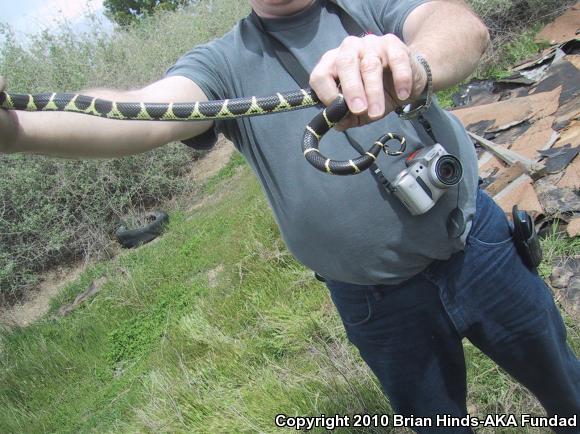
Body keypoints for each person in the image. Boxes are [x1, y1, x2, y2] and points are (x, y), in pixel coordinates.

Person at [1, 1, 578, 432]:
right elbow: (133, 115)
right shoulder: (222, 63)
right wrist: (14, 129)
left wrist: (409, 62)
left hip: (478, 246)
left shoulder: (362, 6)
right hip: (374, 300)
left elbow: (462, 28)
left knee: (565, 389)